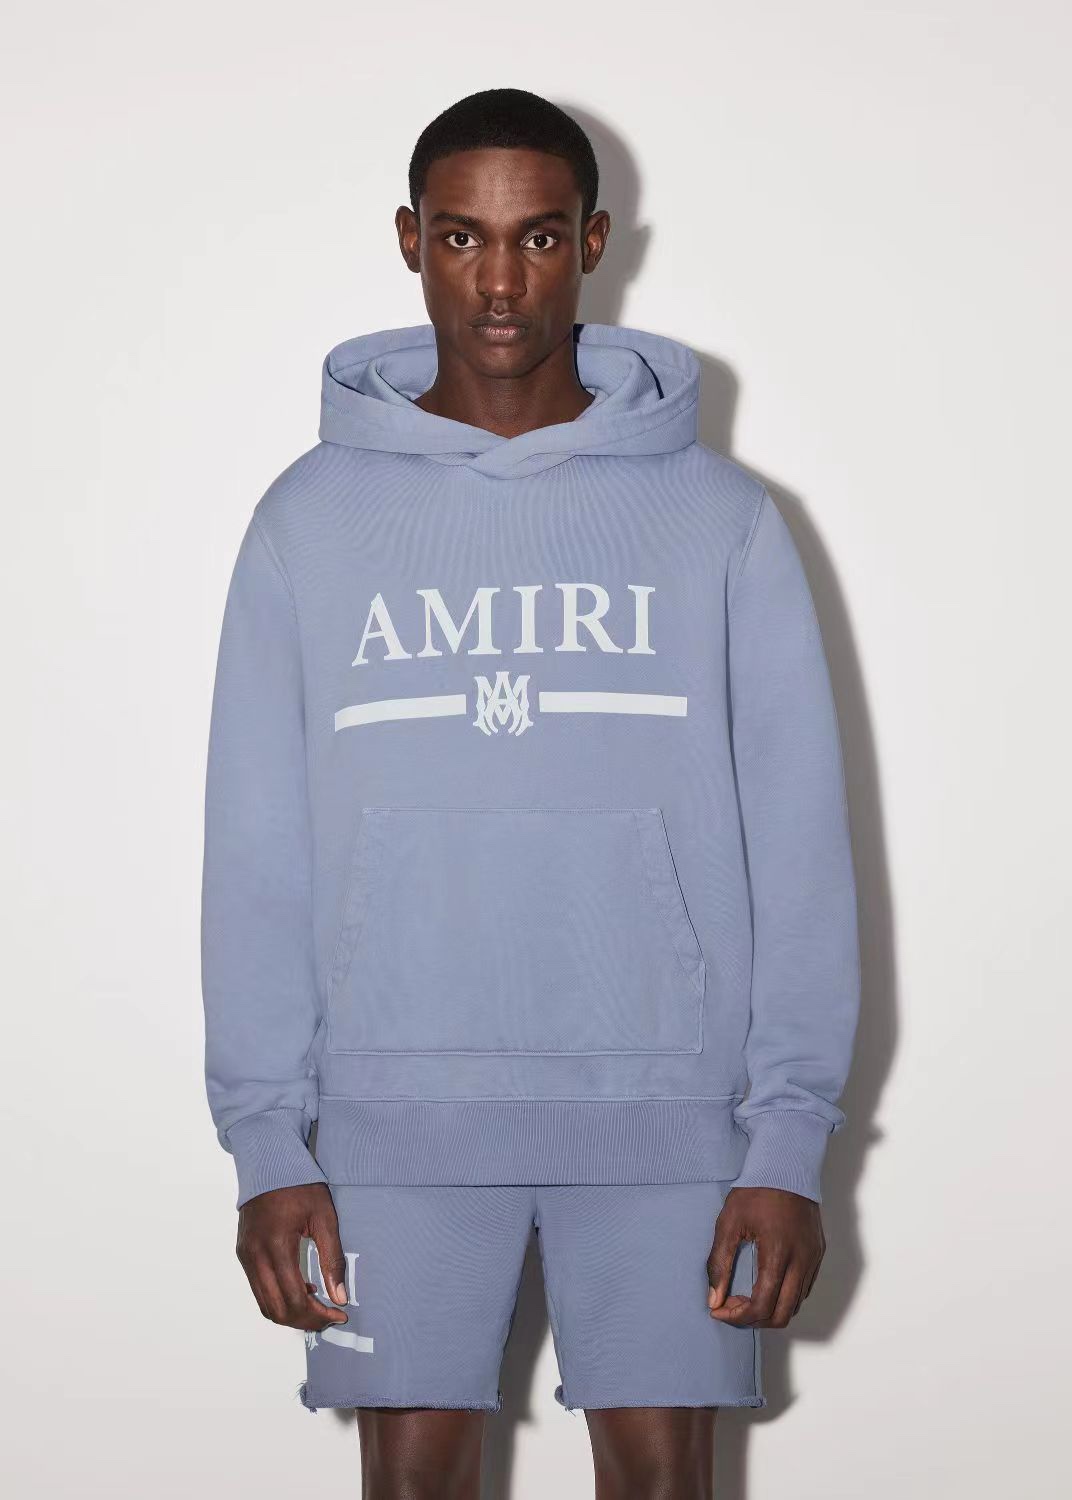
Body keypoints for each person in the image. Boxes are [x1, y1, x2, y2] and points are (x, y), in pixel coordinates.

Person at [200, 86, 860, 1497]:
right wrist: (267, 1144)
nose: (499, 282)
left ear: (594, 244)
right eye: (462, 238)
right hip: (393, 1126)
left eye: (538, 237)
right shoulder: (309, 523)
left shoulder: (723, 521)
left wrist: (789, 1142)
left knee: (664, 1484)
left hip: (671, 1122)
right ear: (410, 241)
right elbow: (256, 852)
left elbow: (801, 845)